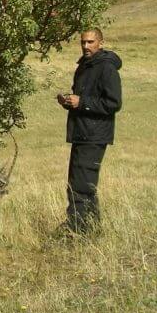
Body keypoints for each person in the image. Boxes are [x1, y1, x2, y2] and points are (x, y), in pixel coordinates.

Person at [55, 28, 122, 234]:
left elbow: (114, 103)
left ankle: (78, 232)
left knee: (80, 187)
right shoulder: (84, 66)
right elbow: (83, 100)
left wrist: (81, 102)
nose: (86, 46)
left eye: (90, 42)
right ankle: (91, 230)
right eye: (83, 42)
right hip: (81, 133)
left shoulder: (107, 68)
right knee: (82, 184)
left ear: (101, 43)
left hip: (94, 135)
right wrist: (68, 102)